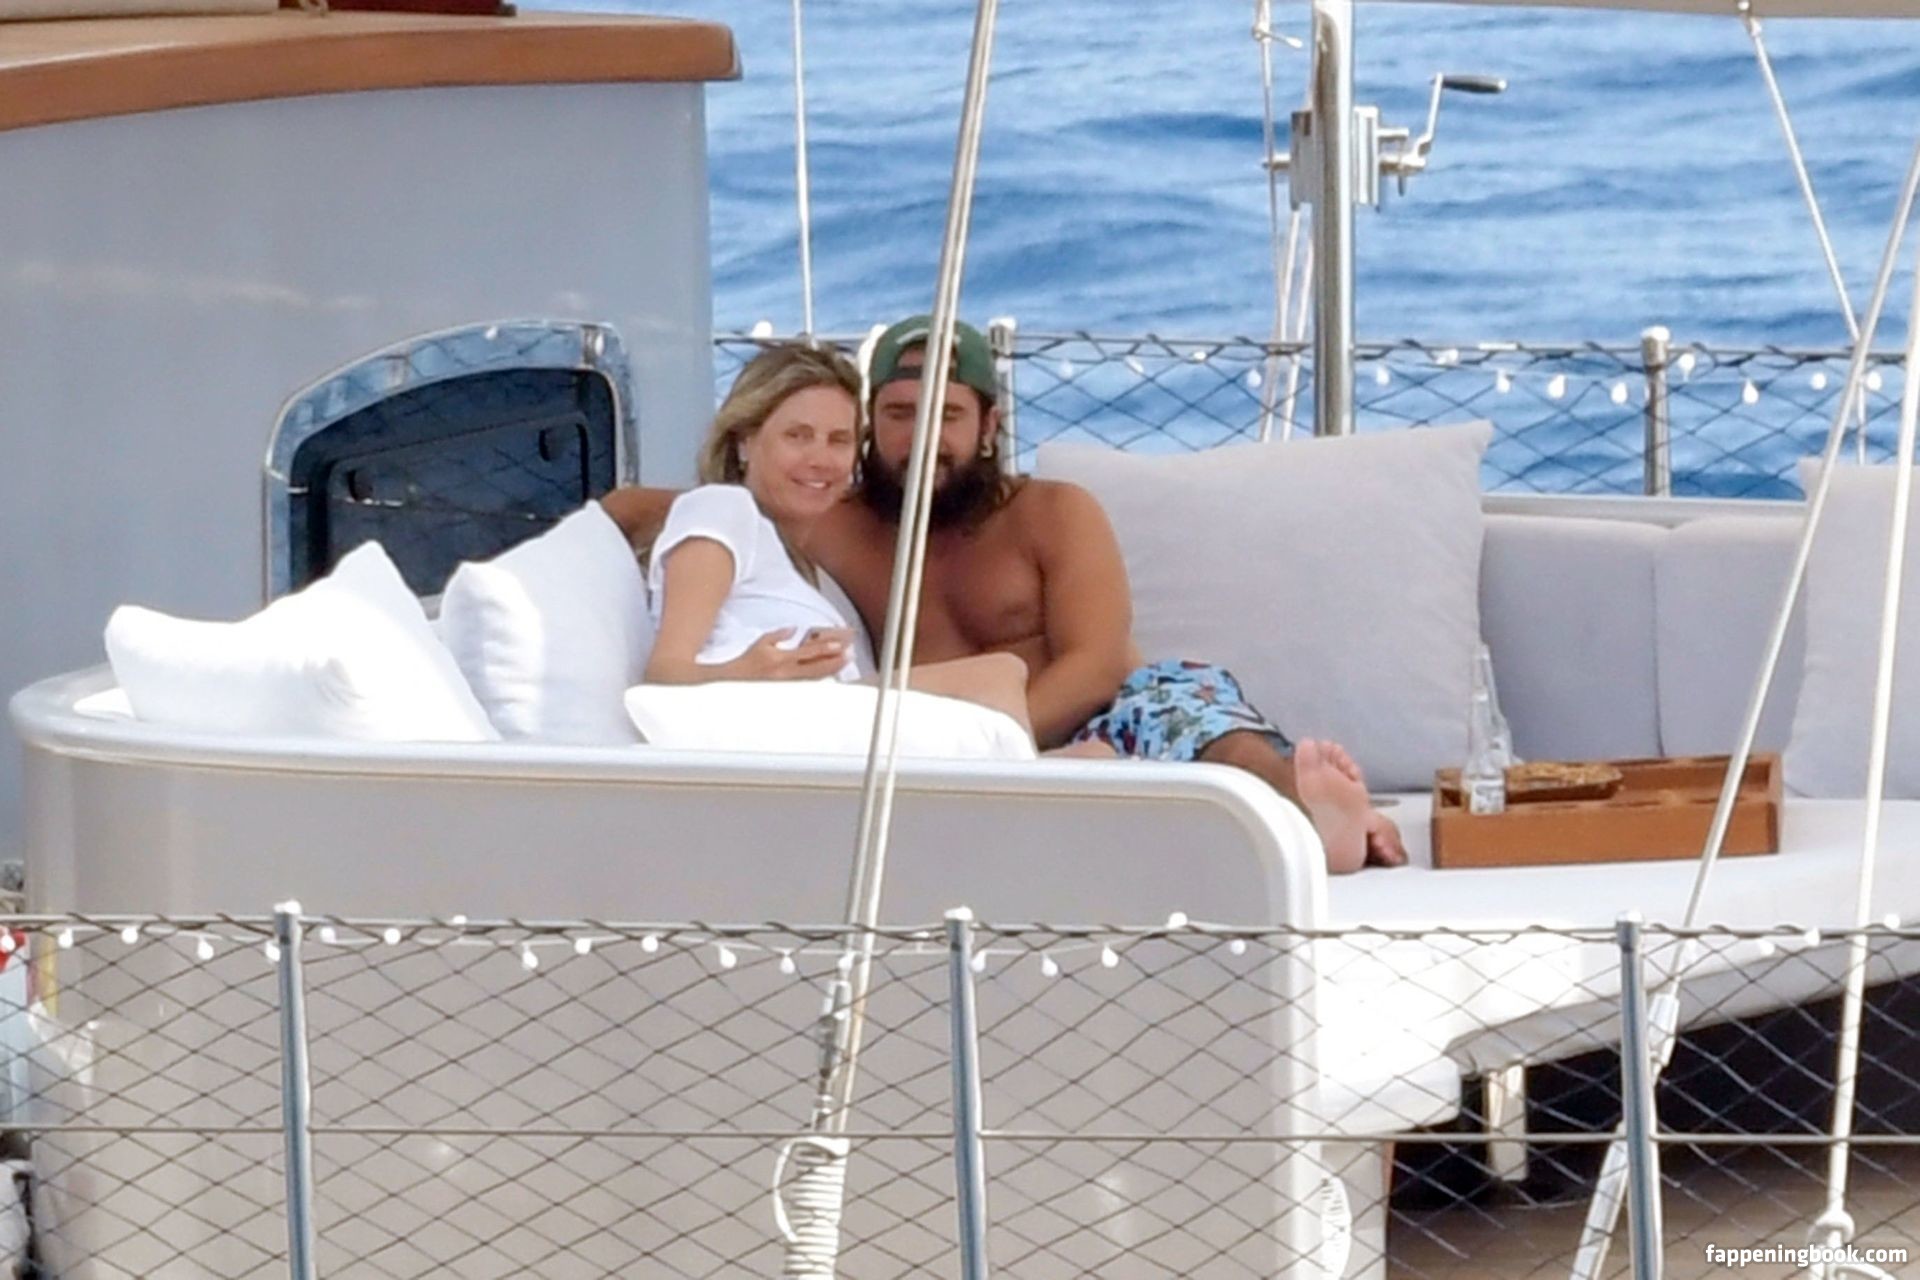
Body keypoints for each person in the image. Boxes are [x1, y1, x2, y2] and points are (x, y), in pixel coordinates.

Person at [605, 320, 1404, 872]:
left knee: (1190, 707)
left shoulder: (1053, 511)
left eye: (947, 415)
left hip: (1093, 718)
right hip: (969, 742)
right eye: (898, 415)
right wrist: (585, 534)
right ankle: (1326, 821)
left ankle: (1309, 811)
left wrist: (1012, 755)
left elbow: (1097, 665)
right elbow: (678, 507)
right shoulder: (827, 521)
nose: (923, 436)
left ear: (988, 426)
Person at [640, 342, 1035, 736]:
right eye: (798, 436)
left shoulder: (810, 571)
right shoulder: (722, 509)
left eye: (839, 440)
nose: (821, 460)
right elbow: (664, 674)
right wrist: (747, 672)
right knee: (998, 676)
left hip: (821, 735)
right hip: (771, 730)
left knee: (1039, 715)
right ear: (744, 441)